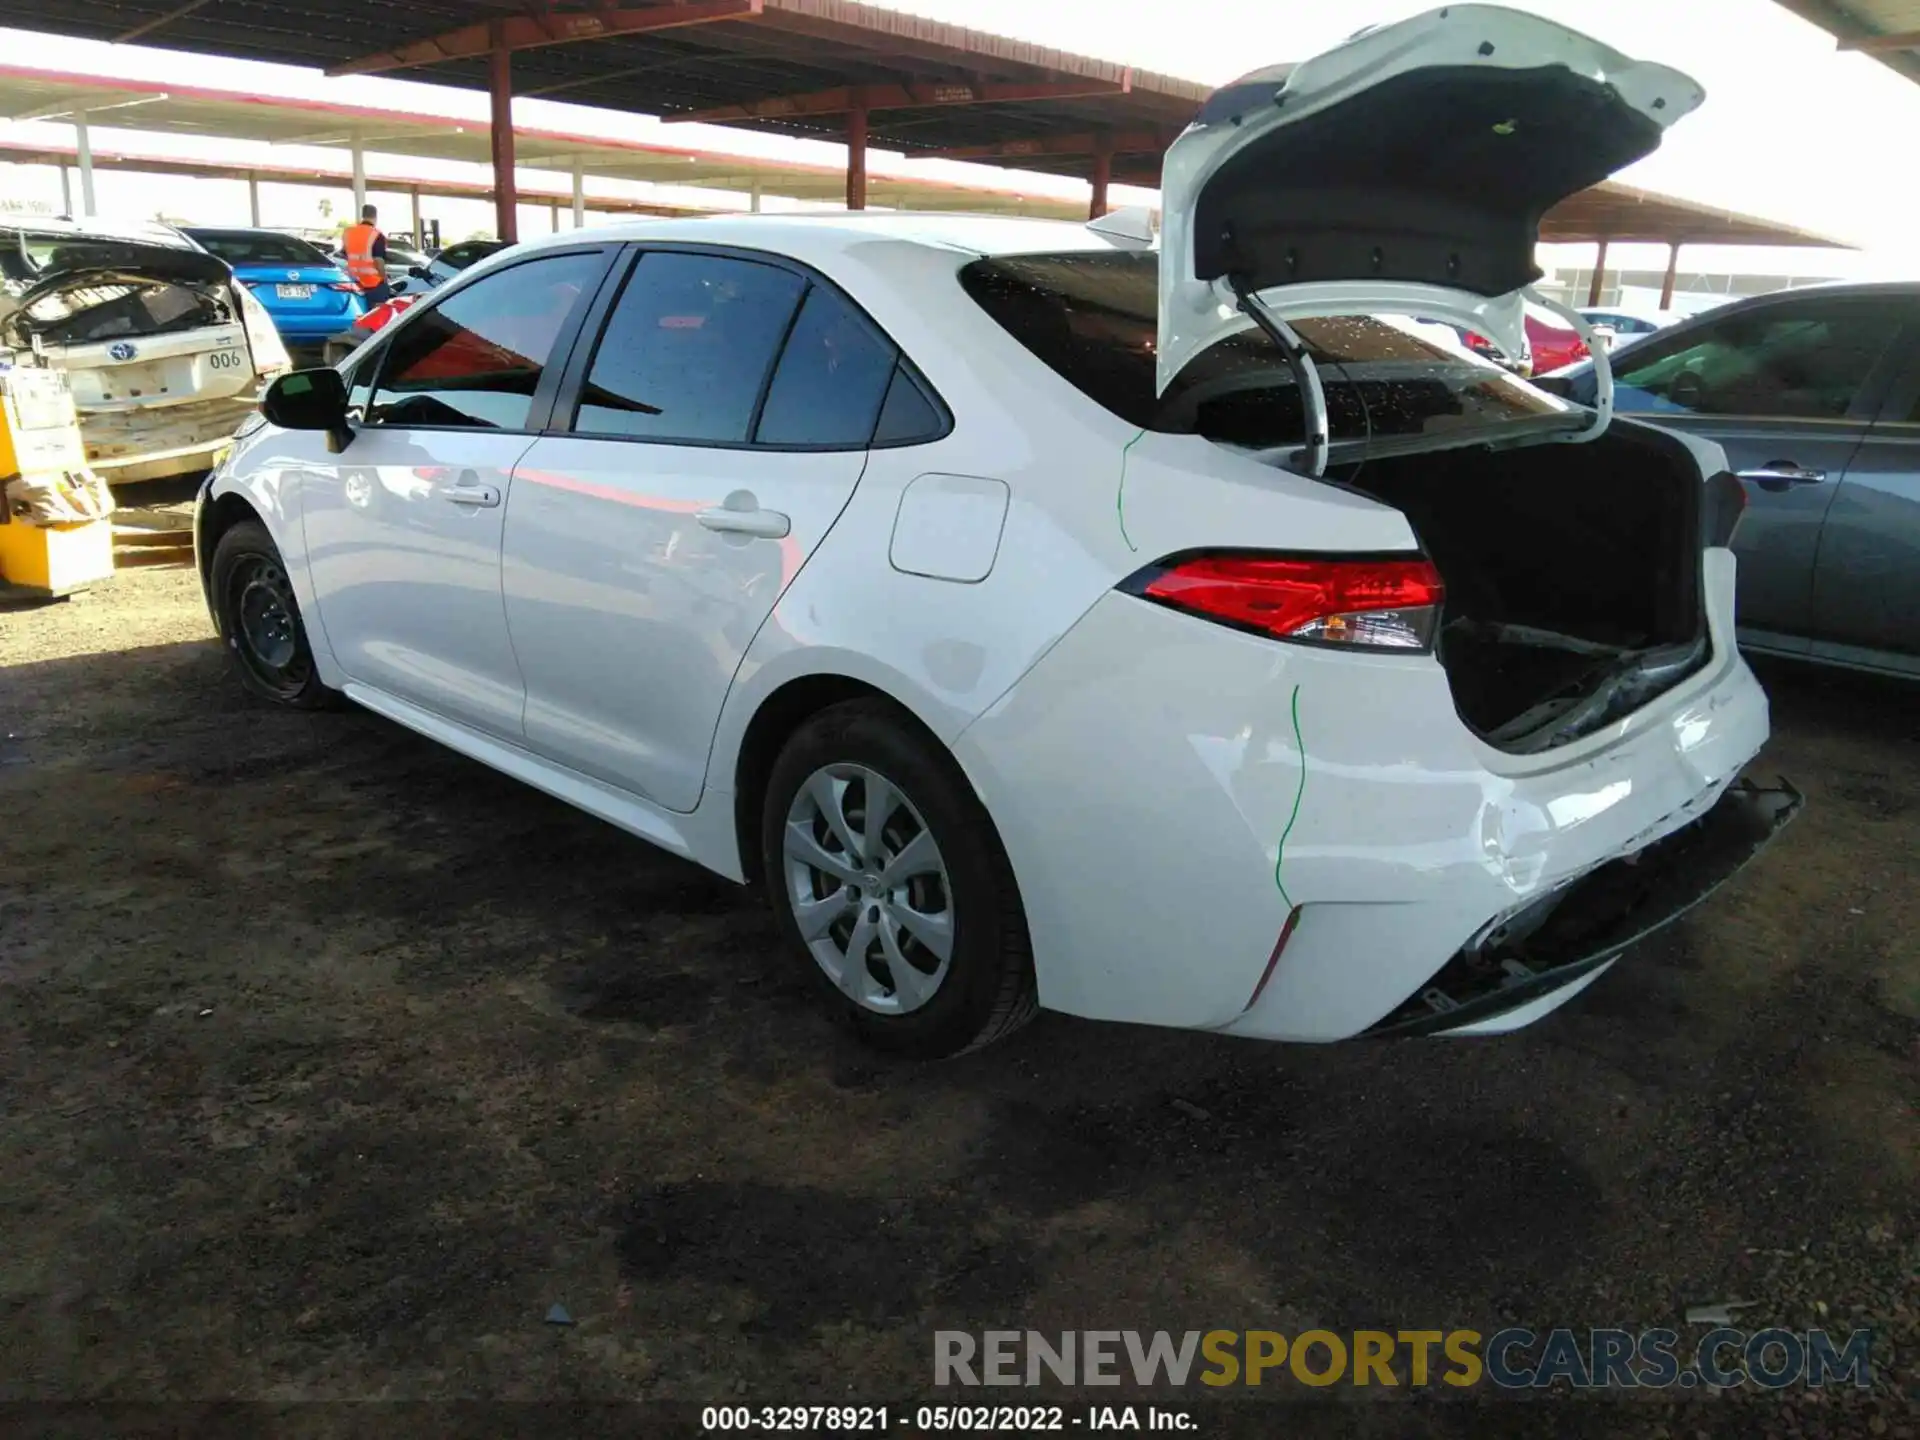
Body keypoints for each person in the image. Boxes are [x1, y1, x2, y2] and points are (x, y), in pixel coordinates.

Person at [341, 204, 391, 306]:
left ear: (362, 215)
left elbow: (345, 254)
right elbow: (378, 261)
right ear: (375, 216)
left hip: (354, 282)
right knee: (378, 316)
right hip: (374, 284)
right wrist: (385, 279)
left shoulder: (348, 233)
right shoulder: (376, 234)